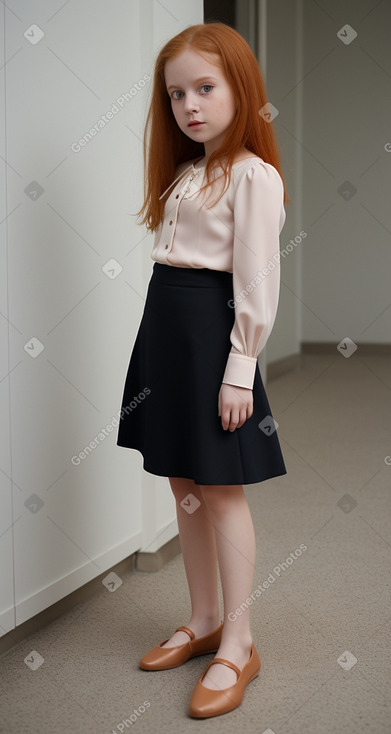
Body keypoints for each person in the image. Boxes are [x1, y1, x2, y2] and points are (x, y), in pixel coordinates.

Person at [116, 21, 291, 719]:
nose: (189, 104)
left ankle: (239, 643)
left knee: (220, 489)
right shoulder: (189, 172)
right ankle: (205, 618)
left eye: (205, 88)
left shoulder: (253, 175)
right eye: (176, 94)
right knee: (181, 479)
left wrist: (238, 366)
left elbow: (255, 281)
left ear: (240, 89)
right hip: (166, 331)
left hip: (213, 337)